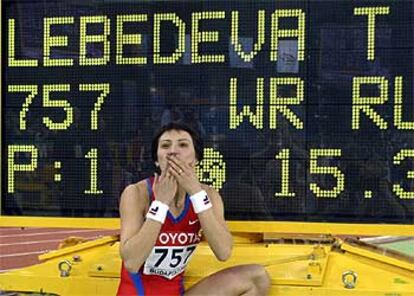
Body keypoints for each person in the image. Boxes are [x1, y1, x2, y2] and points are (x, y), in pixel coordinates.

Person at [117, 122, 271, 295]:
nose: (173, 151)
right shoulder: (136, 194)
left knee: (257, 277)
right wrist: (160, 205)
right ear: (156, 159)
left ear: (196, 158)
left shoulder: (208, 195)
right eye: (165, 145)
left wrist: (197, 195)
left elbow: (223, 251)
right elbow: (131, 262)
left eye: (182, 145)